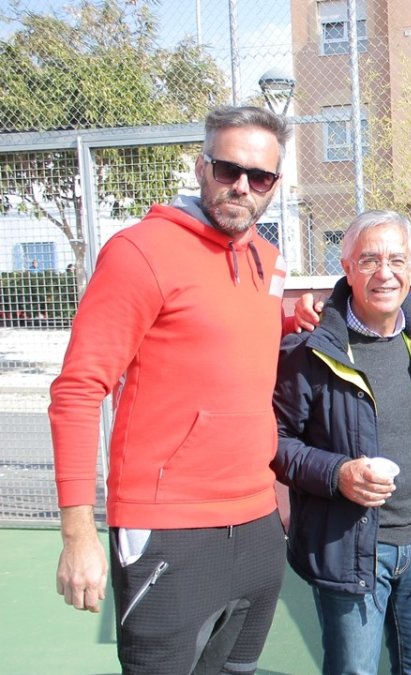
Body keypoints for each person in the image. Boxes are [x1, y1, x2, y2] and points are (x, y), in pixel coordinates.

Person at [48, 105, 318, 673]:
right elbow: (77, 390)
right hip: (167, 528)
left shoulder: (267, 260)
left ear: (274, 185)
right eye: (228, 169)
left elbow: (226, 334)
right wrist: (78, 534)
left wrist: (291, 321)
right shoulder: (140, 252)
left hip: (257, 523)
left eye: (260, 177)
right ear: (201, 168)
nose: (242, 186)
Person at [272, 209, 411, 674]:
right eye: (369, 261)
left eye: (397, 260)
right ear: (346, 268)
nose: (385, 273)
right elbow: (276, 443)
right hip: (350, 550)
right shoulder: (310, 349)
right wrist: (337, 474)